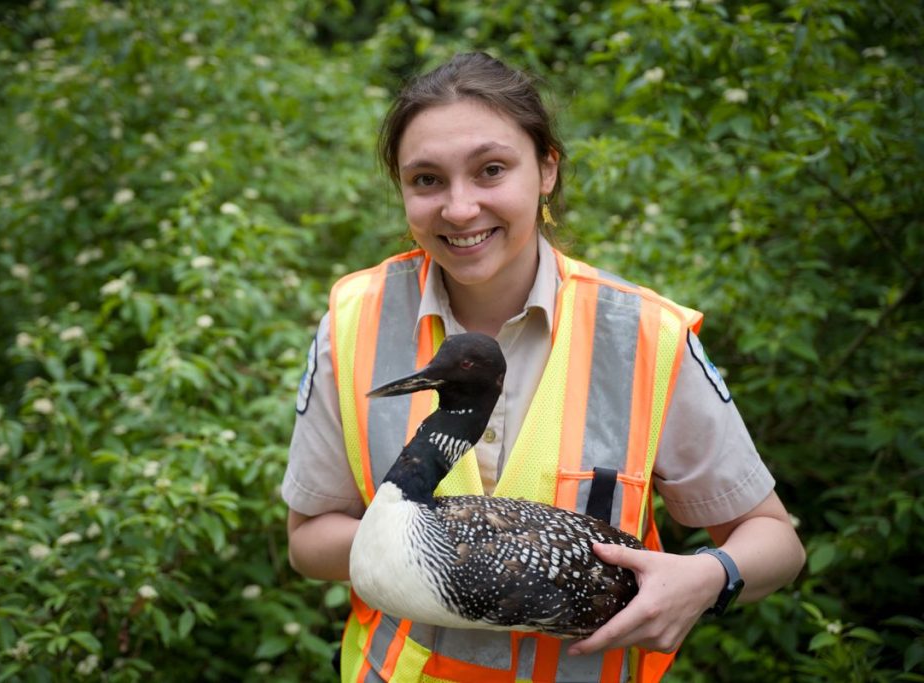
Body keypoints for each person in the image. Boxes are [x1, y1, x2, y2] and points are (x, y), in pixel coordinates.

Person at [283, 52, 805, 682]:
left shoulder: (643, 336)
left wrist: (706, 577)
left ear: (547, 168)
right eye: (426, 180)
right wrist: (456, 546)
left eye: (491, 170)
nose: (459, 208)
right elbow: (308, 542)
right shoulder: (354, 321)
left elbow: (775, 542)